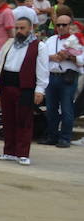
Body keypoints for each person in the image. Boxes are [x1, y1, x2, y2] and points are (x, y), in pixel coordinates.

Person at [0, 17, 48, 165]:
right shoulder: (9, 43)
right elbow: (0, 62)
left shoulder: (39, 46)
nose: (19, 31)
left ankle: (23, 153)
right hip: (7, 83)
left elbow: (42, 69)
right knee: (8, 119)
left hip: (25, 86)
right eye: (17, 28)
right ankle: (9, 151)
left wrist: (40, 90)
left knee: (24, 120)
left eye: (22, 28)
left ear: (30, 29)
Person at [41, 10, 82, 149]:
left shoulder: (78, 41)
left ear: (70, 25)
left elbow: (82, 60)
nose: (61, 27)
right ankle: (52, 136)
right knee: (51, 108)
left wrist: (70, 57)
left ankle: (65, 137)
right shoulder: (51, 40)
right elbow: (42, 56)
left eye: (64, 25)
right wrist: (52, 57)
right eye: (58, 25)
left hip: (68, 77)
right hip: (52, 77)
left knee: (67, 109)